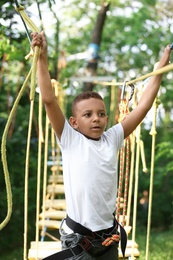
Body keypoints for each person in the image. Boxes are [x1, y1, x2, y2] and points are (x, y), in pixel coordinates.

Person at [31, 31, 172, 260]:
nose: (96, 118)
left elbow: (143, 107)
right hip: (79, 240)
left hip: (108, 238)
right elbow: (48, 100)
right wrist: (43, 58)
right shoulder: (70, 138)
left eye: (101, 114)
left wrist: (160, 68)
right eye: (88, 114)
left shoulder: (112, 138)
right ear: (74, 123)